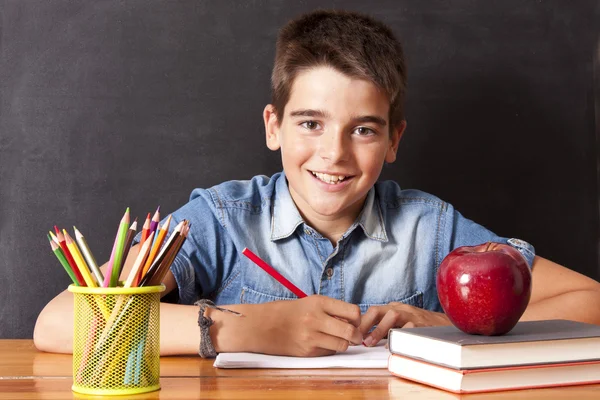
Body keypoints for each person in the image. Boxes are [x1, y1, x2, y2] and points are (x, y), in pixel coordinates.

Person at [34, 9, 600, 357]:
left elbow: (590, 302)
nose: (334, 153)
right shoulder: (221, 220)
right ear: (273, 127)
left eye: (364, 130)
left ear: (394, 140)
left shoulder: (431, 227)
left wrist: (447, 322)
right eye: (310, 123)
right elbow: (60, 324)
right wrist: (249, 328)